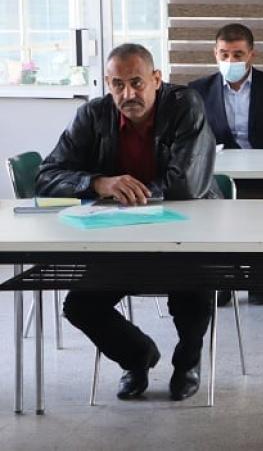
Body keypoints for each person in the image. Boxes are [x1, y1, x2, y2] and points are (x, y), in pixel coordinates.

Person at [36, 43, 218, 402]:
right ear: (108, 84)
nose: (128, 94)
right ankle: (137, 356)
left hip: (184, 232)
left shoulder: (185, 105)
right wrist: (98, 183)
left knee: (195, 293)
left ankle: (187, 363)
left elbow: (186, 185)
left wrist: (132, 193)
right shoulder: (92, 115)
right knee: (80, 306)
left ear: (157, 79)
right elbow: (46, 177)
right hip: (118, 238)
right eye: (117, 84)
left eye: (137, 82)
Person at [189, 22, 263, 306]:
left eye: (238, 54)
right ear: (215, 53)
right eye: (224, 54)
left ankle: (258, 279)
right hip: (218, 174)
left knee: (258, 214)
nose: (230, 60)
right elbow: (190, 142)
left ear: (252, 54)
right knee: (216, 216)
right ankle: (224, 280)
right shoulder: (197, 90)